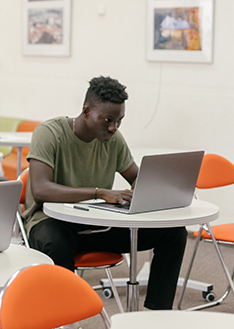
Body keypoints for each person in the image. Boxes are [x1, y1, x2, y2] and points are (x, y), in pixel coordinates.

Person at [23, 76, 186, 310]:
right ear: (86, 111)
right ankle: (62, 317)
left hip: (97, 225)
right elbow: (40, 190)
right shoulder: (49, 133)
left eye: (119, 121)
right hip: (51, 223)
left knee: (173, 232)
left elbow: (137, 178)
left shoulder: (113, 140)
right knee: (55, 242)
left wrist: (158, 192)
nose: (113, 127)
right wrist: (100, 193)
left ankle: (156, 314)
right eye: (107, 120)